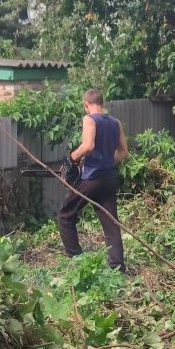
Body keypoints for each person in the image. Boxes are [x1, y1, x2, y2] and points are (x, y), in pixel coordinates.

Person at [57, 88, 129, 271]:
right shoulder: (115, 122)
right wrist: (107, 161)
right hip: (109, 180)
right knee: (111, 225)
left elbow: (88, 146)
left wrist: (72, 158)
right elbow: (123, 152)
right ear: (102, 103)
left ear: (86, 104)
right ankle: (117, 267)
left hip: (92, 180)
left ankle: (76, 260)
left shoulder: (89, 119)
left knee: (66, 215)